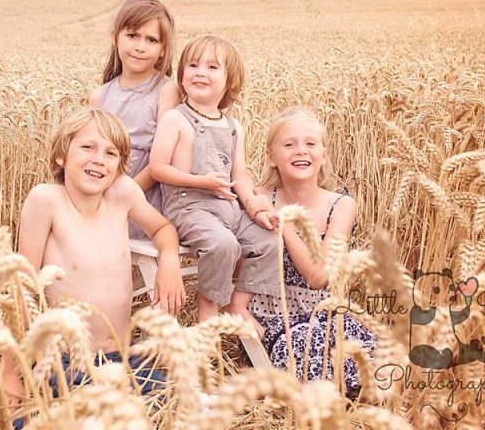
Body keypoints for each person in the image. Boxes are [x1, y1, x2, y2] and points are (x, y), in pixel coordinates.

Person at [4, 108, 186, 426]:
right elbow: (22, 289)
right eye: (88, 147)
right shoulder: (47, 201)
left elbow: (163, 230)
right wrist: (8, 374)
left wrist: (169, 261)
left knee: (180, 407)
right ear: (62, 156)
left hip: (122, 360)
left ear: (118, 166)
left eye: (110, 152)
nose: (99, 159)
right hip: (64, 362)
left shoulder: (122, 194)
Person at [150, 34, 279, 337]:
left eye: (211, 67)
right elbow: (158, 168)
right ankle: (208, 305)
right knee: (224, 245)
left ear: (229, 82)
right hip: (188, 206)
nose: (200, 72)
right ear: (181, 76)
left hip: (229, 208)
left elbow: (241, 176)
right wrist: (201, 181)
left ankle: (237, 304)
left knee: (270, 241)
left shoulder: (234, 127)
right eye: (192, 65)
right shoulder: (175, 119)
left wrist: (256, 206)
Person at [246, 107, 376, 395]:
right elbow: (241, 258)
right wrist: (236, 308)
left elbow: (318, 276)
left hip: (327, 312)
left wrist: (282, 222)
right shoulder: (257, 197)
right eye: (289, 144)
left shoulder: (341, 205)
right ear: (271, 156)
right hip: (273, 316)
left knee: (367, 360)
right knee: (306, 349)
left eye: (310, 143)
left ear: (323, 155)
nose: (300, 151)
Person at [90, 0, 182, 241]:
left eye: (151, 40)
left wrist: (124, 194)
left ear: (163, 50)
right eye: (132, 36)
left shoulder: (166, 90)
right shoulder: (99, 96)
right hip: (102, 188)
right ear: (115, 37)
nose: (140, 46)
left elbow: (165, 157)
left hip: (146, 194)